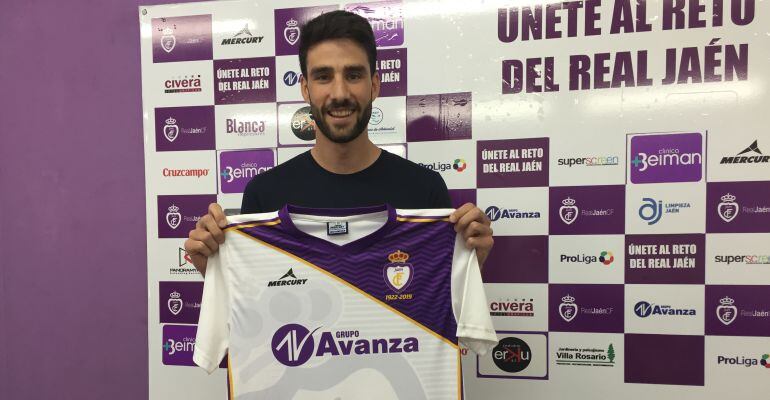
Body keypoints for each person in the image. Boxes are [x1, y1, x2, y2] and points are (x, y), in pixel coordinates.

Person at [185, 10, 493, 275]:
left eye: (354, 75)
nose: (340, 93)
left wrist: (469, 262)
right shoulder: (264, 195)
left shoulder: (424, 190)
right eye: (323, 77)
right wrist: (213, 270)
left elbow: (440, 306)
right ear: (305, 89)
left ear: (374, 85)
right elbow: (252, 309)